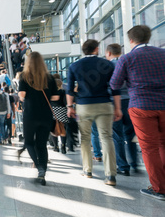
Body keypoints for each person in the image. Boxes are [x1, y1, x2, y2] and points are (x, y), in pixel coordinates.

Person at [110, 25, 165, 200]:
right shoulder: (163, 54)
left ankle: (159, 188)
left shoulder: (127, 58)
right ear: (149, 37)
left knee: (149, 148)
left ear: (131, 40)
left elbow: (115, 84)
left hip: (141, 106)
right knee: (163, 144)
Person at [67, 39, 121, 186]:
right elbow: (115, 88)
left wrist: (69, 106)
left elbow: (70, 89)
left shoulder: (74, 66)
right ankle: (110, 176)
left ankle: (87, 170)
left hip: (84, 106)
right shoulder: (108, 64)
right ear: (96, 49)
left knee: (85, 137)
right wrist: (117, 108)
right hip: (104, 104)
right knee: (106, 137)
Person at [18, 52, 60, 185]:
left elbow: (22, 95)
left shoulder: (25, 76)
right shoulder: (49, 78)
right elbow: (55, 97)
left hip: (30, 115)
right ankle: (42, 174)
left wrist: (24, 95)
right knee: (42, 145)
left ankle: (39, 166)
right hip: (46, 115)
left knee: (29, 142)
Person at [105, 43, 138, 176]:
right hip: (130, 101)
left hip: (114, 103)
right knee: (130, 134)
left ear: (108, 53)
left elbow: (111, 86)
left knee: (117, 135)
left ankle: (123, 166)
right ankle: (135, 163)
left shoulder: (108, 66)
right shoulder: (128, 62)